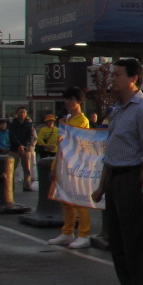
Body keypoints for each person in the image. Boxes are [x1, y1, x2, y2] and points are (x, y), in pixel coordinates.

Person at [90, 59, 143, 285]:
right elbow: (111, 149)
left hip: (132, 178)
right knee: (118, 242)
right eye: (113, 74)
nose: (113, 79)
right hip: (114, 178)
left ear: (134, 78)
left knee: (137, 242)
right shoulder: (118, 110)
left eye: (118, 75)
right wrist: (102, 186)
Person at [47, 89, 93, 250]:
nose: (68, 102)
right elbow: (60, 144)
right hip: (63, 163)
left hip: (76, 164)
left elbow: (75, 139)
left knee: (80, 200)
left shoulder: (82, 120)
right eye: (66, 99)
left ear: (79, 101)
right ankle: (67, 232)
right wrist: (54, 166)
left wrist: (64, 127)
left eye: (71, 99)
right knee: (65, 200)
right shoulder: (66, 119)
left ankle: (84, 234)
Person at [7, 106, 36, 189]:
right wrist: (19, 145)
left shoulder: (29, 124)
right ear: (17, 113)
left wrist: (24, 145)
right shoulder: (12, 124)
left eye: (24, 112)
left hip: (26, 149)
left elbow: (31, 136)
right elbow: (12, 136)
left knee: (27, 168)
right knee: (11, 168)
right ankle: (10, 186)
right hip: (14, 148)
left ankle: (27, 185)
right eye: (20, 112)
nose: (22, 114)